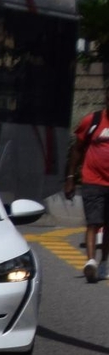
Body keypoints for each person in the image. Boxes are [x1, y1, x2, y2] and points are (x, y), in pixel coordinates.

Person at [67, 97, 109, 282]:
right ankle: (90, 261)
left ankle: (104, 263)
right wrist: (70, 178)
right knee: (93, 222)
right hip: (92, 181)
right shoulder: (93, 121)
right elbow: (77, 149)